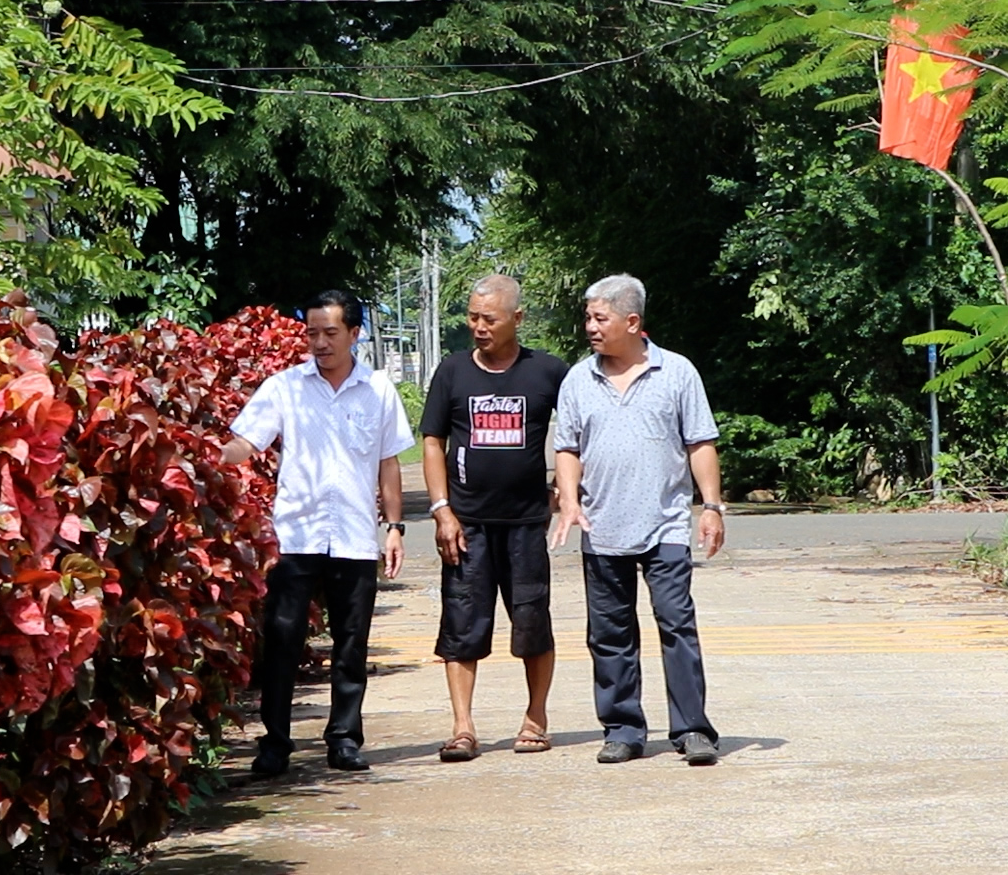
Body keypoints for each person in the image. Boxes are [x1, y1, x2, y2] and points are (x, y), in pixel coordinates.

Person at [223, 290, 414, 776]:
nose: (320, 343)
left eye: (331, 333)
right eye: (312, 333)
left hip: (353, 535)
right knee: (282, 639)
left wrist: (393, 527)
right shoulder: (285, 388)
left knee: (352, 642)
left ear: (355, 333)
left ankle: (345, 738)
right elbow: (246, 441)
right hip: (296, 535)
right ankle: (276, 742)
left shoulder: (378, 390)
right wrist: (201, 460)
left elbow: (388, 462)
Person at [551, 273, 726, 767]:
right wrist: (569, 502)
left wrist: (710, 507)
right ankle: (623, 728)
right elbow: (567, 448)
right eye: (587, 317)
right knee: (610, 635)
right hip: (601, 529)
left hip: (665, 525)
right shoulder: (578, 379)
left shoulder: (677, 373)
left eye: (599, 318)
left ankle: (693, 729)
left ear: (632, 321)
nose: (590, 326)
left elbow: (700, 443)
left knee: (677, 625)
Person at [420, 273, 569, 762]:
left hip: (526, 523)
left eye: (490, 318)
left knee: (532, 621)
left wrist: (563, 490)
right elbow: (433, 442)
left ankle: (535, 718)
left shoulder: (548, 372)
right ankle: (462, 727)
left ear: (517, 319)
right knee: (461, 624)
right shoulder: (453, 371)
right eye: (473, 317)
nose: (479, 327)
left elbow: (575, 435)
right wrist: (442, 510)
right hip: (467, 525)